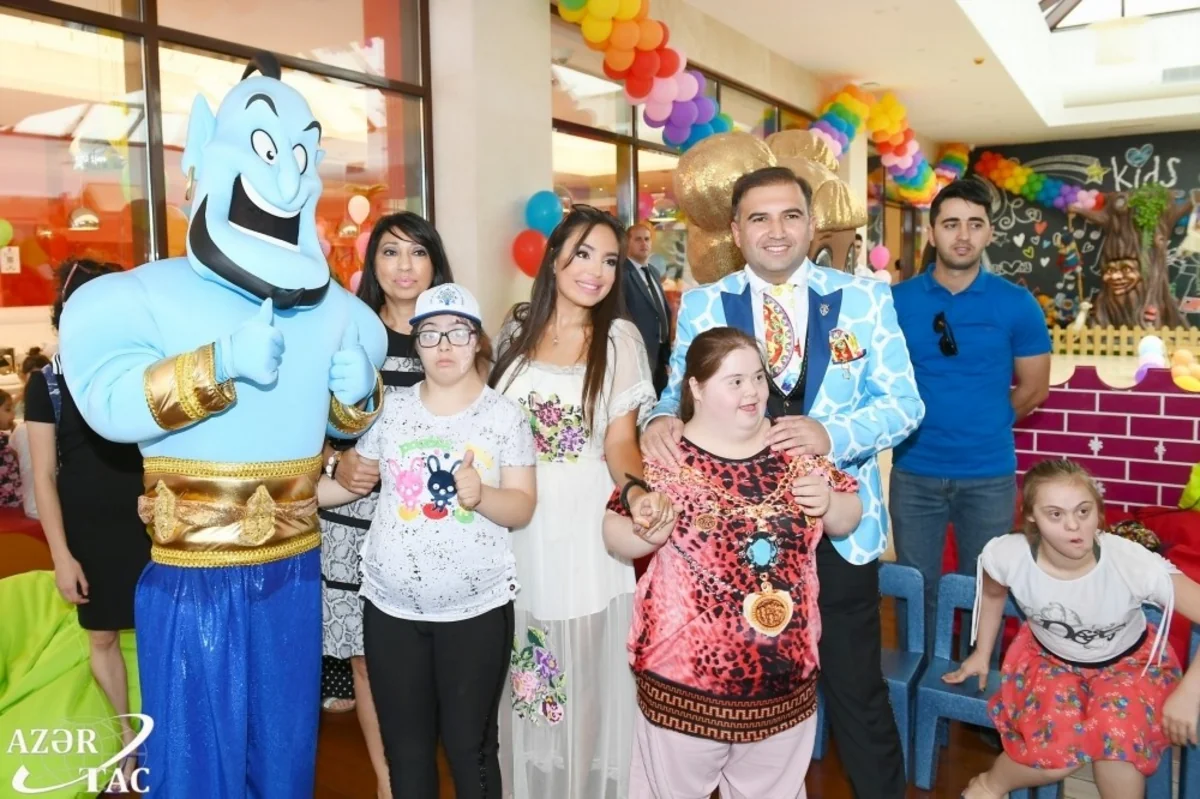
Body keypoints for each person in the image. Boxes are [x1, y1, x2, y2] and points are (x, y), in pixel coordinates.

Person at [57, 53, 387, 797]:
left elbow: (347, 419)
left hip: (294, 569)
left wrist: (358, 393)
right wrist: (218, 364)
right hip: (193, 577)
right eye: (266, 148)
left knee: (284, 751)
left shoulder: (339, 311)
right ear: (207, 154)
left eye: (300, 155)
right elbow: (109, 404)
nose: (286, 178)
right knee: (193, 759)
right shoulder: (139, 297)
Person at [641, 165, 924, 799]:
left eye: (790, 215)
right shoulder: (705, 303)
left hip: (837, 524)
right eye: (759, 218)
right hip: (731, 538)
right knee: (743, 685)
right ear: (735, 231)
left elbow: (906, 406)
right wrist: (659, 418)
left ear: (811, 224)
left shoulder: (865, 298)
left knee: (857, 688)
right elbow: (676, 391)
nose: (776, 230)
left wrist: (831, 434)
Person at [605, 327, 861, 799]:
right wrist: (646, 530)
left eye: (758, 378)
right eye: (736, 381)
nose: (753, 392)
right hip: (684, 687)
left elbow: (848, 517)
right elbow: (614, 529)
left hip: (784, 684)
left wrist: (828, 502)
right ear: (696, 388)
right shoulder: (665, 459)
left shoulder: (793, 451)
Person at [319, 283, 536, 798]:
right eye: (430, 334)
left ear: (477, 340)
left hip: (475, 611)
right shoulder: (390, 411)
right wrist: (284, 492)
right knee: (406, 752)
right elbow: (347, 484)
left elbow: (522, 505)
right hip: (390, 610)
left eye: (458, 333)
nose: (444, 345)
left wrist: (481, 495)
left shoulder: (504, 416)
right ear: (415, 343)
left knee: (469, 747)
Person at [491, 204, 658, 799]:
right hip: (516, 523)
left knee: (585, 670)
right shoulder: (515, 329)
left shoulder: (619, 340)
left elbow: (620, 440)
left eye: (610, 260)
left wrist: (635, 489)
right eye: (584, 253)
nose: (596, 271)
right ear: (554, 258)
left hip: (584, 526)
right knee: (525, 667)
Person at [945, 458, 1200, 799]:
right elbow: (992, 595)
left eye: (1083, 511)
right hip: (1048, 661)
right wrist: (981, 652)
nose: (1074, 526)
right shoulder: (1007, 555)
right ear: (1031, 516)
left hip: (1129, 667)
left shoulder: (1131, 562)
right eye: (1055, 514)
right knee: (1054, 757)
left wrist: (1190, 693)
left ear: (1098, 509)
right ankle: (990, 784)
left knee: (1117, 751)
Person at [317, 212, 453, 798]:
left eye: (417, 252)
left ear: (435, 264)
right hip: (352, 520)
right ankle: (388, 783)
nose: (404, 266)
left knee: (434, 658)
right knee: (367, 661)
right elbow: (307, 429)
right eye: (391, 252)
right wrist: (333, 463)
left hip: (436, 522)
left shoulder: (455, 339)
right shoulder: (347, 337)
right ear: (372, 264)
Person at [891, 177, 1052, 656]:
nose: (963, 235)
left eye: (975, 224)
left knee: (987, 586)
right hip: (914, 471)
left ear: (989, 233)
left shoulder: (1016, 304)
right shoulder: (896, 302)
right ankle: (919, 679)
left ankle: (977, 681)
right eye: (951, 224)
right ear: (932, 232)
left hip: (988, 474)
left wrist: (986, 423)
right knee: (916, 586)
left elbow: (1034, 388)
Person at [26, 259, 149, 788]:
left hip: (151, 521)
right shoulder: (48, 384)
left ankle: (174, 731)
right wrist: (61, 556)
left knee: (163, 633)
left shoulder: (144, 371)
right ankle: (127, 739)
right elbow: (43, 477)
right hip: (89, 532)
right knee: (102, 638)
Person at [622, 222, 671, 395]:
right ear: (627, 243)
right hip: (637, 357)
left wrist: (667, 355)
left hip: (660, 355)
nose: (644, 243)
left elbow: (660, 311)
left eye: (647, 239)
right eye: (638, 239)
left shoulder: (654, 272)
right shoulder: (621, 274)